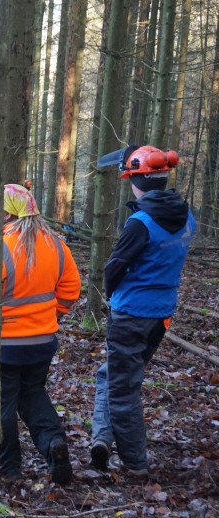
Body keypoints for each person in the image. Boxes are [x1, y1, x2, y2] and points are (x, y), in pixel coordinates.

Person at [0, 183, 81, 484]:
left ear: (5, 212)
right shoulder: (56, 244)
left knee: (3, 404)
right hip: (42, 343)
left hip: (4, 346)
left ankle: (9, 469)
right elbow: (71, 290)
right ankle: (53, 442)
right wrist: (52, 317)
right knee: (33, 393)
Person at [90, 145, 195, 477]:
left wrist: (111, 296)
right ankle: (102, 440)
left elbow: (113, 268)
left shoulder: (140, 223)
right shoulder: (186, 215)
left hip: (131, 316)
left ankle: (136, 466)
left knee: (122, 390)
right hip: (161, 315)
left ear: (136, 180)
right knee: (113, 376)